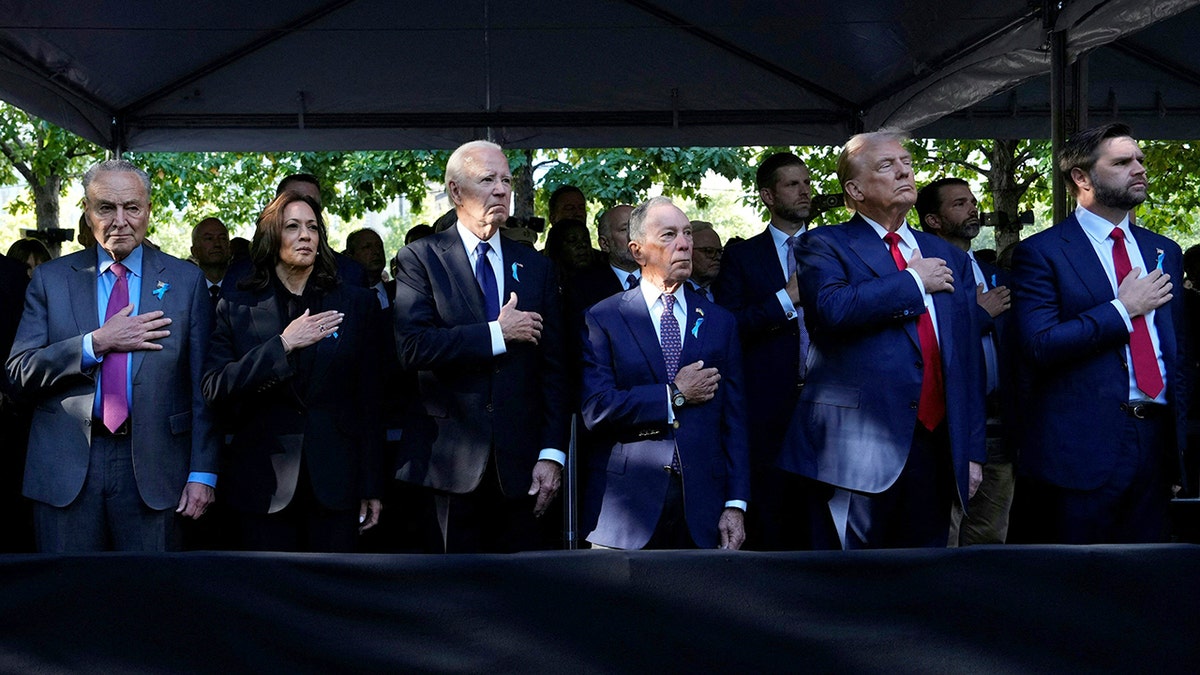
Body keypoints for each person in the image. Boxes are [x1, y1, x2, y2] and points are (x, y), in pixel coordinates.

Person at [779, 131, 985, 549]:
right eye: (887, 165)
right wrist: (912, 281)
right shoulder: (824, 243)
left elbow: (966, 360)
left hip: (937, 444)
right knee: (855, 588)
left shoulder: (954, 257)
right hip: (857, 449)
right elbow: (833, 310)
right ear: (854, 190)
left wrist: (972, 449)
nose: (905, 170)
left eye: (906, 162)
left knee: (923, 581)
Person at [6, 159, 218, 552]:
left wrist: (203, 471)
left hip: (156, 468)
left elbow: (202, 386)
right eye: (106, 207)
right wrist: (95, 344)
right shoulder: (51, 280)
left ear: (148, 210)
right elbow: (19, 373)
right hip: (66, 468)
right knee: (67, 602)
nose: (120, 220)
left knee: (148, 601)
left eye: (131, 208)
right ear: (87, 213)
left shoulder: (186, 282)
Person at [1010, 123, 1185, 544]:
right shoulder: (1042, 252)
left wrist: (1175, 451)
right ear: (1081, 178)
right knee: (1078, 588)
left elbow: (1175, 351)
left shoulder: (1164, 250)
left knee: (1146, 584)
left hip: (1156, 442)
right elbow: (1038, 345)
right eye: (1122, 162)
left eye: (1140, 159)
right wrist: (1122, 311)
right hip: (1080, 450)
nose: (1139, 169)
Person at [393, 140, 569, 553]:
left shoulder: (537, 267)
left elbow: (555, 370)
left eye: (506, 180)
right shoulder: (420, 259)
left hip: (522, 468)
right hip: (447, 466)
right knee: (451, 598)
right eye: (487, 179)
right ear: (456, 192)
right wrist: (496, 333)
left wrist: (552, 454)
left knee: (522, 600)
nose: (502, 189)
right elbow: (413, 347)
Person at [202, 191, 384, 552]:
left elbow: (371, 401)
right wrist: (282, 345)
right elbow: (215, 387)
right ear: (272, 238)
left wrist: (372, 485)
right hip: (261, 484)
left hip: (337, 482)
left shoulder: (356, 303)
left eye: (313, 227)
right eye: (293, 227)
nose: (306, 236)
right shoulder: (236, 305)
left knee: (334, 598)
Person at [580, 197, 749, 550]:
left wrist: (736, 504)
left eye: (686, 233)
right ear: (638, 250)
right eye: (669, 235)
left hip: (703, 508)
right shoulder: (604, 317)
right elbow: (596, 409)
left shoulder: (720, 321)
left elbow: (735, 420)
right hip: (626, 511)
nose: (685, 243)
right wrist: (673, 394)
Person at [711, 151, 818, 550]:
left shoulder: (833, 247)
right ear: (768, 195)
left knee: (824, 520)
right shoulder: (742, 256)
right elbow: (729, 325)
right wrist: (786, 299)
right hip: (769, 406)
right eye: (793, 184)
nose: (805, 191)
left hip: (831, 401)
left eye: (807, 182)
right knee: (772, 519)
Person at [916, 177, 1016, 545]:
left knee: (990, 535)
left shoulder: (998, 278)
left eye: (973, 201)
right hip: (947, 423)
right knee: (945, 533)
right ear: (933, 220)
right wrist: (980, 316)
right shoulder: (921, 274)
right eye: (959, 203)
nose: (973, 208)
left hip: (997, 424)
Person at [344, 228, 393, 309]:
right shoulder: (343, 298)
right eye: (367, 247)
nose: (376, 251)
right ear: (350, 255)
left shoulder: (399, 293)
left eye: (379, 246)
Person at [190, 217, 231, 301]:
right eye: (209, 238)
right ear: (194, 251)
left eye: (222, 238)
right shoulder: (186, 291)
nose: (217, 244)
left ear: (230, 247)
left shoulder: (244, 287)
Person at [688, 220, 721, 301]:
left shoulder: (729, 290)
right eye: (709, 251)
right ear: (688, 251)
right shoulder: (673, 291)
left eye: (720, 251)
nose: (718, 257)